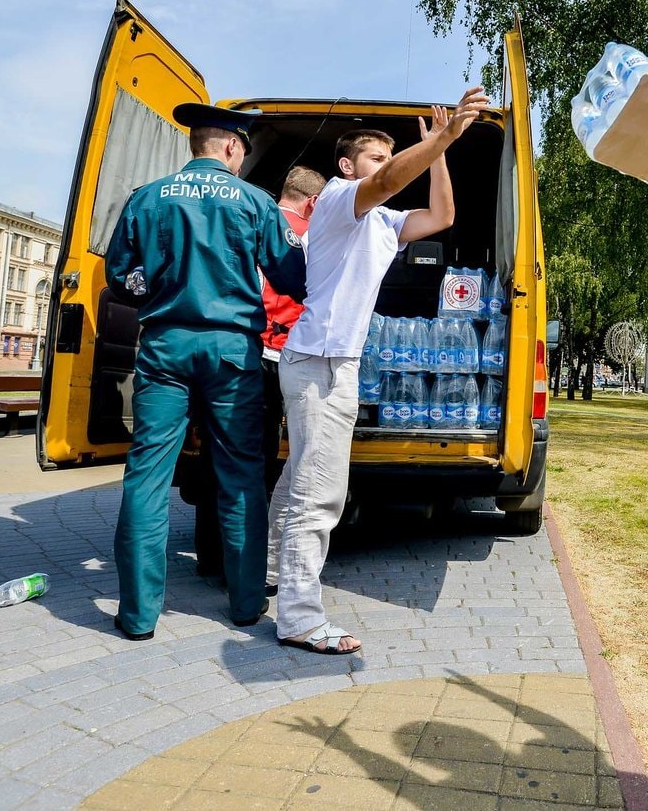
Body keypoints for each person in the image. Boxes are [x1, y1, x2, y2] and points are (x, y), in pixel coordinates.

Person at [271, 87, 490, 655]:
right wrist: (444, 136)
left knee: (303, 475)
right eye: (375, 156)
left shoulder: (386, 223)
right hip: (318, 362)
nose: (385, 165)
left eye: (388, 156)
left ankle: (272, 570)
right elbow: (388, 181)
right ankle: (297, 614)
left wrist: (439, 152)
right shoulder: (342, 196)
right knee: (320, 493)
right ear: (347, 166)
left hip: (331, 364)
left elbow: (443, 215)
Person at [104, 102, 306, 641]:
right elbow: (291, 277)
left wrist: (160, 290)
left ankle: (138, 615)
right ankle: (244, 606)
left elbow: (120, 280)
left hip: (164, 347)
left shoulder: (148, 198)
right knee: (241, 476)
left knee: (146, 478)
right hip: (232, 353)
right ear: (232, 147)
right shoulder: (253, 201)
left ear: (197, 145)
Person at [194, 165, 325, 582]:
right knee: (262, 461)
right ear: (313, 202)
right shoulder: (305, 235)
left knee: (222, 454)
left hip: (229, 348)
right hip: (277, 353)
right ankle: (253, 564)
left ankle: (212, 558)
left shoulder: (243, 220)